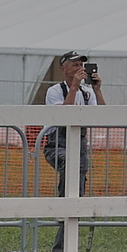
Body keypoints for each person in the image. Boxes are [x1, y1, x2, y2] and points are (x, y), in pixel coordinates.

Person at [41, 52, 99, 196]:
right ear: (63, 69)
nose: (80, 68)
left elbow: (101, 116)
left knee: (80, 171)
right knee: (69, 163)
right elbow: (63, 116)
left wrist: (97, 90)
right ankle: (64, 203)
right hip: (56, 144)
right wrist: (74, 86)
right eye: (75, 65)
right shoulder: (54, 91)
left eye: (81, 65)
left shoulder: (87, 92)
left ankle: (75, 205)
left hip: (80, 143)